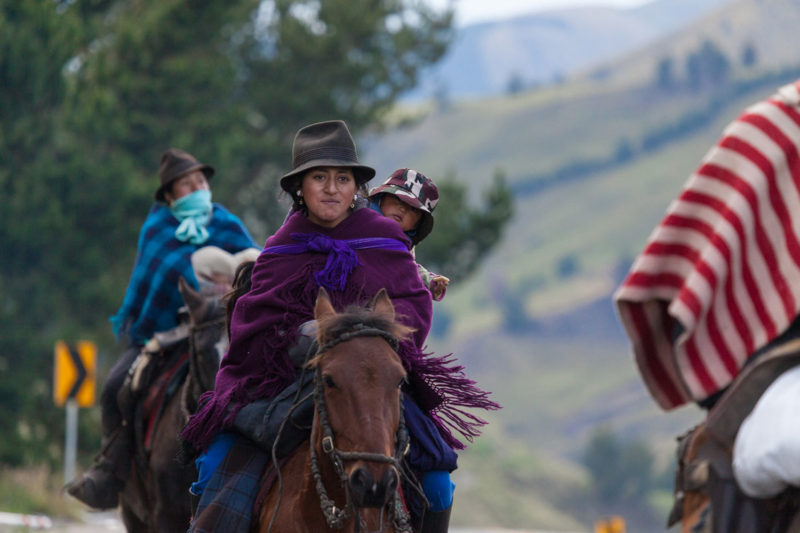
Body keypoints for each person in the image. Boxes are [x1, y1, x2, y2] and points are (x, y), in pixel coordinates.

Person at [181, 120, 497, 532]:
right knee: (213, 469)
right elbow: (253, 327)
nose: (332, 188)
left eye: (342, 178)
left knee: (437, 486)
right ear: (300, 188)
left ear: (356, 188)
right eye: (319, 178)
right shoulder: (281, 248)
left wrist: (362, 342)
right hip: (284, 385)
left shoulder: (384, 239)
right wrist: (303, 340)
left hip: (372, 383)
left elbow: (413, 311)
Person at [65, 148, 259, 509]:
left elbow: (255, 264)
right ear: (170, 195)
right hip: (165, 333)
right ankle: (111, 468)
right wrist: (202, 279)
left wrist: (234, 282)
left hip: (223, 330)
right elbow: (161, 276)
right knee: (114, 387)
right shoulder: (158, 228)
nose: (197, 188)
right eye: (187, 184)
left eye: (200, 181)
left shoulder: (225, 222)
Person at [369, 168, 450, 301]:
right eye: (397, 199)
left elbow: (408, 268)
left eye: (413, 209)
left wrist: (430, 282)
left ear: (417, 224)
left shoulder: (404, 244)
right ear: (381, 197)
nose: (403, 209)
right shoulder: (357, 212)